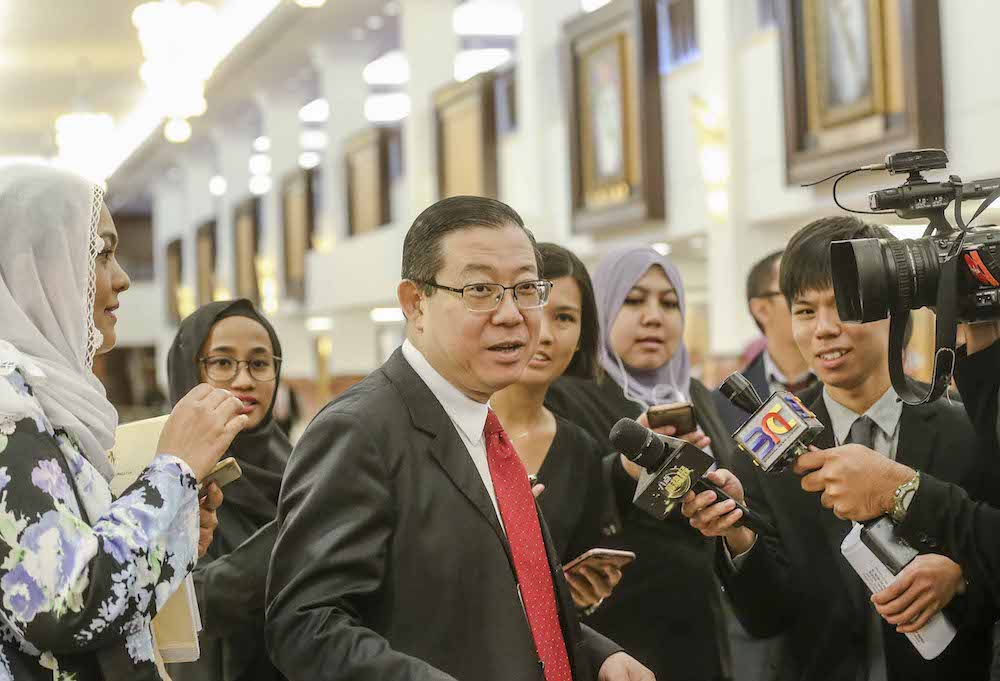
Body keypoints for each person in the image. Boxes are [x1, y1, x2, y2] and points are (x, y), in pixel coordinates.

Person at [265, 196, 651, 681]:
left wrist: (596, 656)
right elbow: (305, 626)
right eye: (481, 289)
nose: (512, 314)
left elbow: (507, 599)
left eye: (526, 288)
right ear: (415, 303)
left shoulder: (483, 429)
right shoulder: (360, 430)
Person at [681, 216, 993, 681]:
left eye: (843, 306)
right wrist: (738, 536)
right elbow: (767, 617)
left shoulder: (969, 429)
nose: (823, 329)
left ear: (897, 310)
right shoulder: (766, 443)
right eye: (805, 311)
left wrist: (962, 577)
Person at [0, 162, 246, 680]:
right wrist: (172, 473)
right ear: (37, 264)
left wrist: (172, 529)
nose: (123, 278)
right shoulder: (5, 401)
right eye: (101, 252)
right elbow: (66, 603)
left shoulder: (40, 396)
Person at [546, 246, 732, 681]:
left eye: (669, 303)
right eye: (632, 300)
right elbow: (571, 503)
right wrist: (635, 467)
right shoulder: (565, 397)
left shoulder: (696, 397)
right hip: (617, 633)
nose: (653, 317)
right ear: (601, 310)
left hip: (699, 628)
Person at [490, 243, 623, 611]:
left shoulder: (582, 450)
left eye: (564, 318)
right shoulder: (453, 430)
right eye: (532, 308)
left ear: (582, 335)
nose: (545, 334)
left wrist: (583, 596)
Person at [165, 300, 290, 681]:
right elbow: (184, 604)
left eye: (259, 363)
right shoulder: (163, 471)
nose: (244, 380)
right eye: (222, 362)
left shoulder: (296, 462)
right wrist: (298, 536)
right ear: (189, 372)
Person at [713, 250, 813, 435]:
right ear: (762, 310)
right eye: (796, 291)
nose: (811, 300)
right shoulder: (721, 405)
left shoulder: (849, 381)